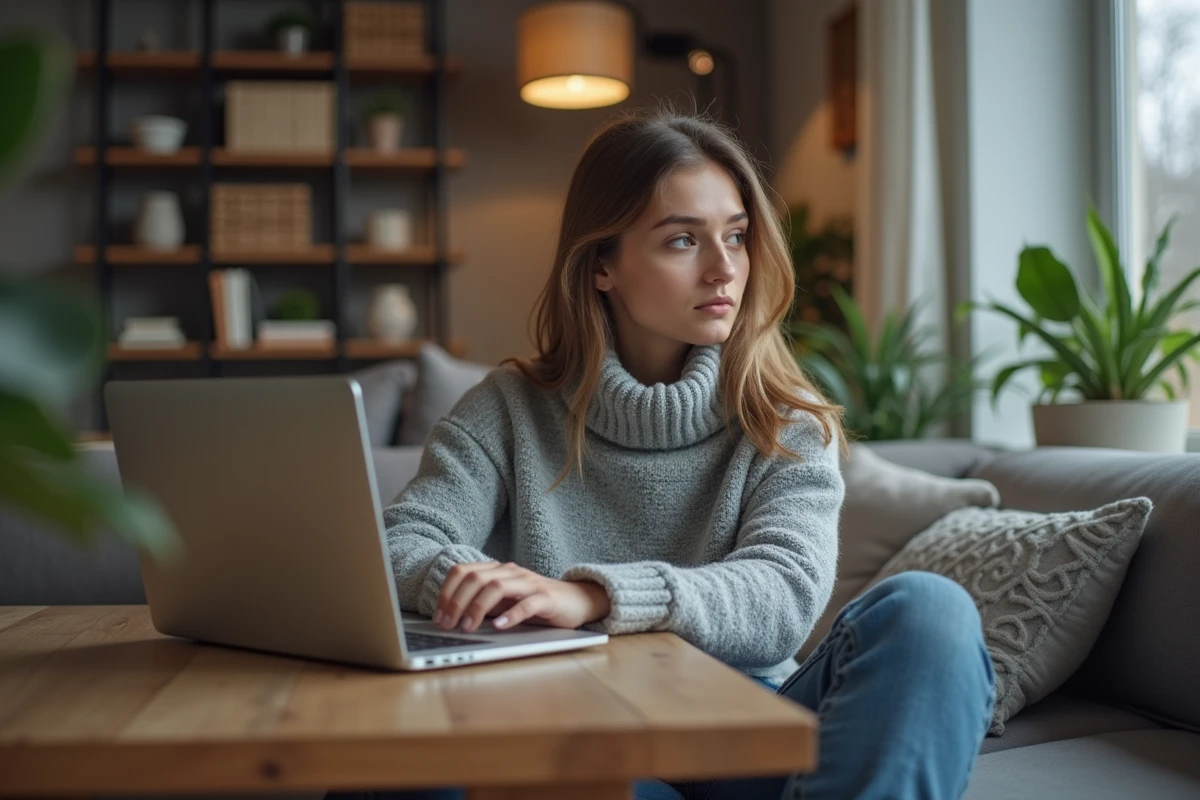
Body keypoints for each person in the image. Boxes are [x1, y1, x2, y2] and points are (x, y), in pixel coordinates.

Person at [330, 107, 995, 800]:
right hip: (584, 736)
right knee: (403, 774)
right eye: (682, 241)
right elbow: (404, 538)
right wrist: (475, 586)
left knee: (932, 611)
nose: (723, 270)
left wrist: (590, 596)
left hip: (745, 740)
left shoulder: (785, 419)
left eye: (736, 236)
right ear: (601, 267)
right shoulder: (509, 408)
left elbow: (784, 596)